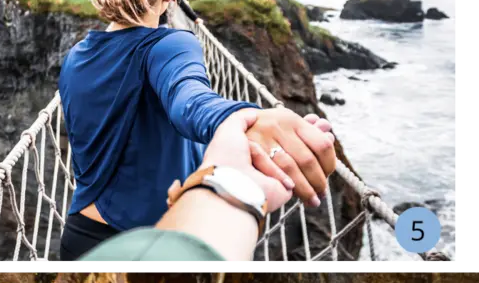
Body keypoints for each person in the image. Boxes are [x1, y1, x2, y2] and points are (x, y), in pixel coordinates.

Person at [58, 0, 336, 263]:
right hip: (149, 247)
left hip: (78, 242)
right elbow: (190, 103)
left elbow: (148, 116)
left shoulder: (76, 57)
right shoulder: (170, 43)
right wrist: (244, 119)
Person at [75, 111, 332, 263]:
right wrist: (236, 121)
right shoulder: (173, 45)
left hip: (79, 227)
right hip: (126, 225)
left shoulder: (78, 58)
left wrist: (234, 174)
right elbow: (190, 97)